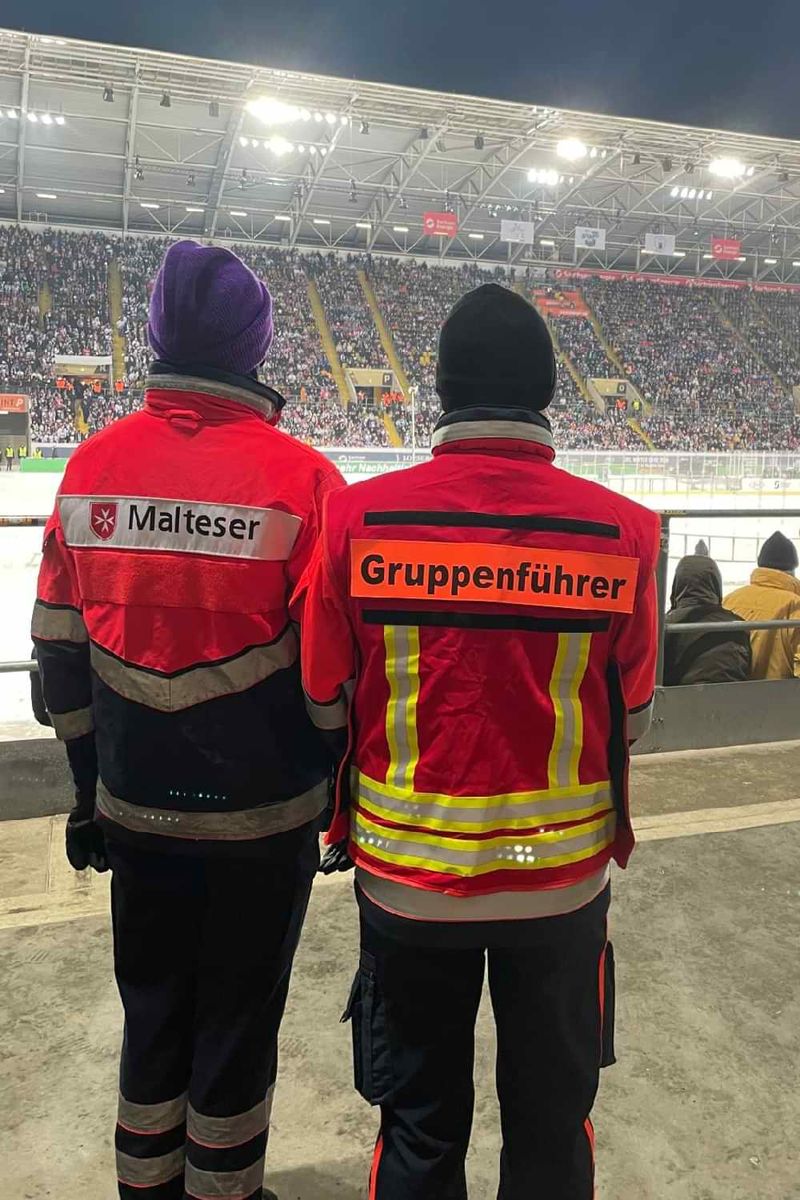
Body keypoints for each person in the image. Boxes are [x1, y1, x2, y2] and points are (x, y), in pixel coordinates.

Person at [294, 283, 660, 1200]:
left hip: (408, 887)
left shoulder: (355, 521)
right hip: (562, 886)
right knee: (549, 1131)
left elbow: (321, 703)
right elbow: (635, 724)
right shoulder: (626, 534)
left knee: (418, 1129)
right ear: (547, 393)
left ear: (441, 393)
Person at [32, 240, 345, 1200]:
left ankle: (146, 1187)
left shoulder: (90, 466)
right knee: (240, 1016)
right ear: (255, 347)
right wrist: (333, 795)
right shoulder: (306, 483)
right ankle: (227, 1191)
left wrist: (90, 795)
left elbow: (57, 656)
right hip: (264, 820)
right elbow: (332, 679)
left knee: (153, 1007)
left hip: (132, 805)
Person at [664, 551, 751, 685]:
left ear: (677, 584)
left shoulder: (667, 626)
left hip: (679, 701)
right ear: (716, 584)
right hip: (731, 699)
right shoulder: (738, 625)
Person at [725, 531, 800, 679]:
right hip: (778, 698)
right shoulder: (795, 606)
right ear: (792, 568)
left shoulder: (728, 600)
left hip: (730, 697)